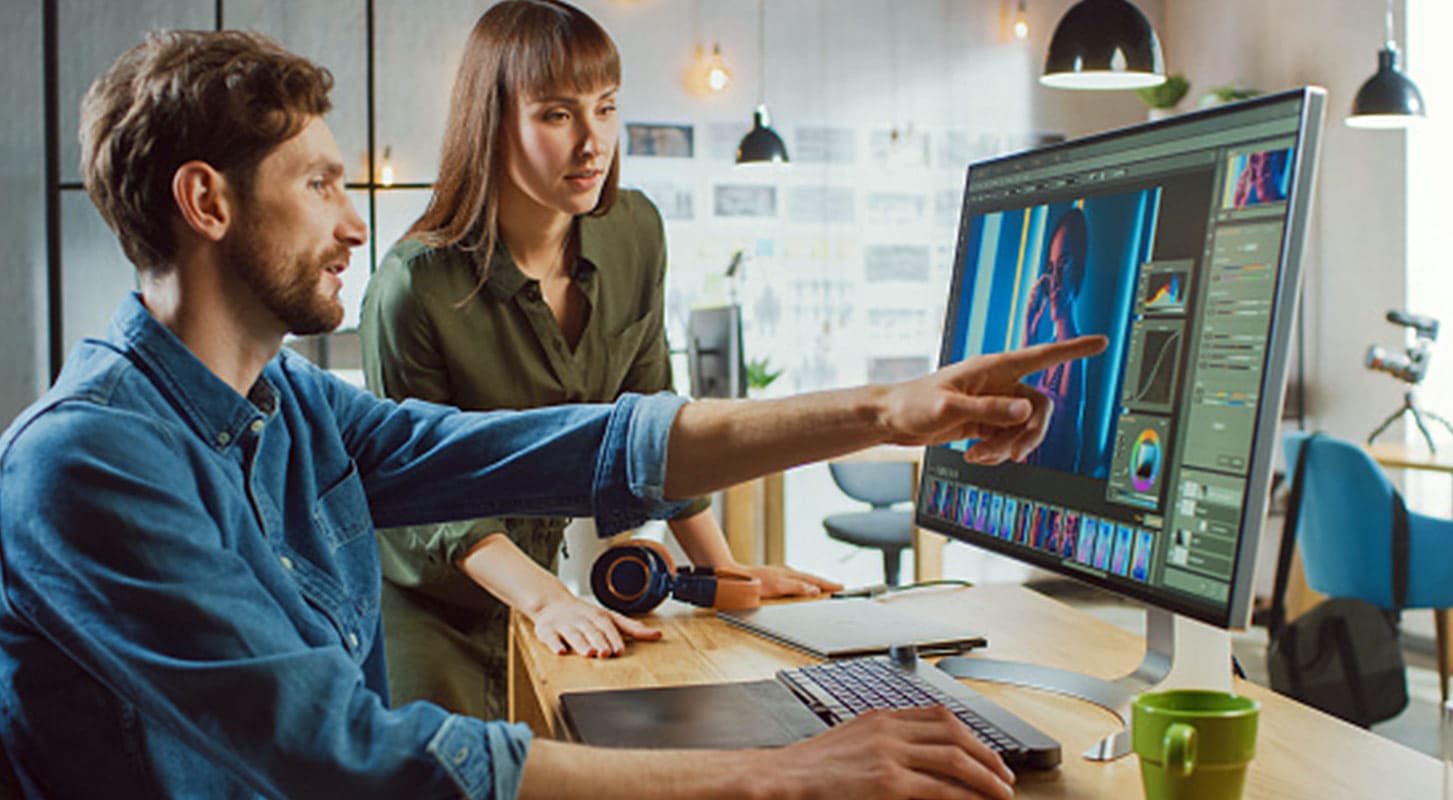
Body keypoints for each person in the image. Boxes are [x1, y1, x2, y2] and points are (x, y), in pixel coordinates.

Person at [0, 28, 1106, 800]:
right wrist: (781, 773)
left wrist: (888, 409)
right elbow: (338, 755)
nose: (354, 223)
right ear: (207, 201)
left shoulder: (286, 404)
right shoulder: (91, 460)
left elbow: (575, 443)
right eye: (320, 184)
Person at [358, 0, 838, 719]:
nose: (593, 143)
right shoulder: (414, 285)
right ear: (492, 122)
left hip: (550, 598)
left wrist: (724, 575)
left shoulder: (633, 232)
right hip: (431, 609)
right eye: (557, 115)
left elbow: (657, 424)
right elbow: (424, 495)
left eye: (606, 108)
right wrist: (546, 599)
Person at [1021, 207, 1090, 473]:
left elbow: (1052, 440)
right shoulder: (1049, 348)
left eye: (1064, 264)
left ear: (1079, 268)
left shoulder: (1075, 353)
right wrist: (1028, 334)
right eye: (1051, 268)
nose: (1055, 279)